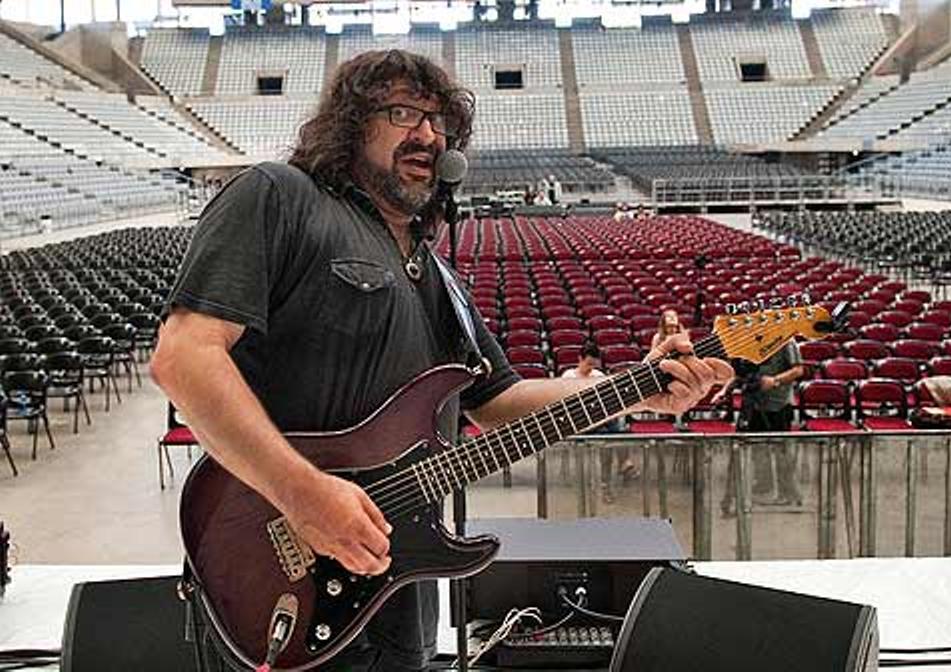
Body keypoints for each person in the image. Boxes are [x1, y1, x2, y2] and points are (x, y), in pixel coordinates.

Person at [149, 49, 732, 672]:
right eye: (402, 112)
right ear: (350, 123)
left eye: (438, 120)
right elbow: (184, 358)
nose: (426, 133)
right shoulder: (279, 196)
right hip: (278, 570)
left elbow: (501, 403)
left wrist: (638, 388)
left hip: (395, 593)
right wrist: (306, 497)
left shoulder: (438, 277)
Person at [715, 340, 808, 516]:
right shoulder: (749, 340)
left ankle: (790, 495)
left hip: (778, 404)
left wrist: (775, 380)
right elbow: (740, 375)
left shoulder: (786, 341)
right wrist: (724, 391)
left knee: (782, 452)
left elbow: (798, 370)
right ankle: (754, 491)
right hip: (754, 403)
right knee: (753, 450)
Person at [561, 343, 636, 502]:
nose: (591, 368)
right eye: (588, 363)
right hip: (579, 422)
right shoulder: (568, 377)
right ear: (579, 359)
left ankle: (612, 476)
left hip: (599, 418)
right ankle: (615, 473)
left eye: (594, 364)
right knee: (608, 436)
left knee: (618, 430)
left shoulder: (598, 375)